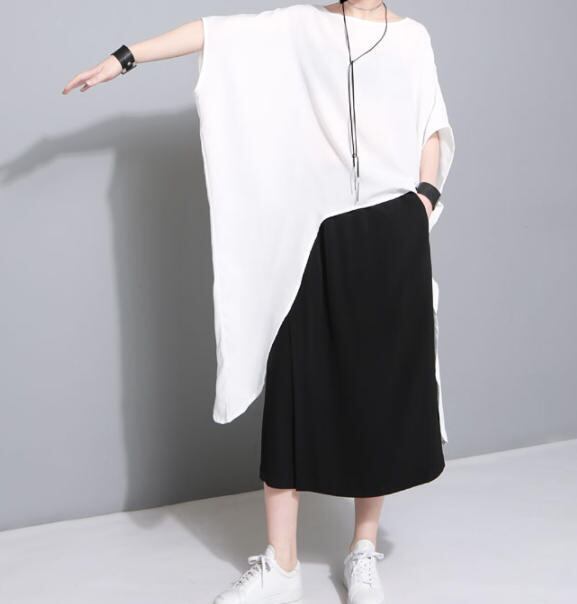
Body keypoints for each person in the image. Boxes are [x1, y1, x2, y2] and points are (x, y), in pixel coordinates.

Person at [62, 1, 455, 603]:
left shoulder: (414, 39)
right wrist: (126, 56)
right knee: (292, 392)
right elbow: (214, 34)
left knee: (375, 392)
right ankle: (282, 566)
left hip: (391, 233)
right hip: (311, 235)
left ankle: (362, 551)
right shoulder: (303, 24)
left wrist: (422, 201)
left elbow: (431, 123)